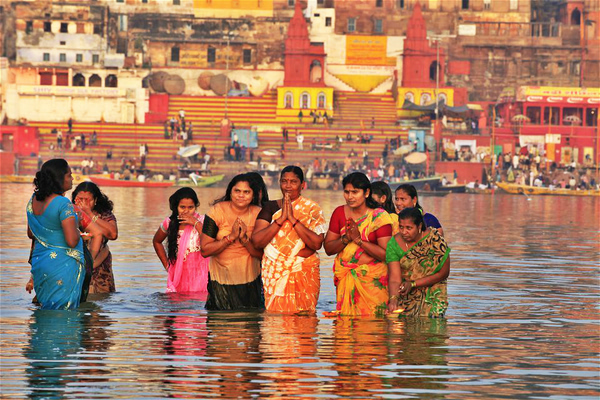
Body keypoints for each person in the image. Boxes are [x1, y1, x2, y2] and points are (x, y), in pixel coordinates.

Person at [25, 159, 102, 309]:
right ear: (58, 179)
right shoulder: (63, 203)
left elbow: (31, 233)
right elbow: (72, 241)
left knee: (45, 314)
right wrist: (76, 221)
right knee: (65, 316)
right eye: (69, 175)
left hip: (40, 264)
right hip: (62, 266)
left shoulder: (32, 200)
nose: (72, 178)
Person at [252, 166, 327, 314]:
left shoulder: (312, 209)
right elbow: (257, 241)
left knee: (304, 319)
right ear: (279, 183)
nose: (288, 186)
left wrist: (292, 219)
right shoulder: (270, 207)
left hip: (303, 270)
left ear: (302, 185)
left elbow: (317, 243)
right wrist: (281, 219)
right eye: (284, 181)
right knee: (275, 320)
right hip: (274, 270)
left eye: (293, 182)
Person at [323, 172, 393, 316]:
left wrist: (359, 240)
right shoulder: (339, 213)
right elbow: (328, 249)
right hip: (346, 278)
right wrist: (346, 238)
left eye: (355, 192)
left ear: (366, 192)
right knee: (346, 329)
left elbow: (386, 255)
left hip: (373, 283)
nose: (350, 196)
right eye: (347, 192)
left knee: (373, 328)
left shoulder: (379, 217)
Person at [200, 174, 264, 310]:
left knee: (249, 327)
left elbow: (264, 256)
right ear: (230, 191)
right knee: (221, 326)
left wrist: (245, 240)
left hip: (250, 282)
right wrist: (230, 237)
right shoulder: (216, 211)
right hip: (220, 282)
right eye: (237, 191)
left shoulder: (260, 214)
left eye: (246, 192)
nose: (241, 195)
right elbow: (205, 251)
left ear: (253, 195)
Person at [386, 207, 450, 318]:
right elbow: (395, 278)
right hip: (407, 295)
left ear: (419, 226)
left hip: (433, 295)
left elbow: (444, 273)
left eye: (409, 228)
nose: (404, 232)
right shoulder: (393, 243)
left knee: (433, 330)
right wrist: (393, 300)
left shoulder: (434, 240)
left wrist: (414, 284)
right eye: (401, 227)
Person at [152, 188, 209, 293]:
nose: (186, 211)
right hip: (179, 276)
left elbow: (209, 241)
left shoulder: (203, 221)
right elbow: (156, 241)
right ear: (176, 207)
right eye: (182, 207)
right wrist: (168, 267)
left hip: (201, 277)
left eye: (190, 207)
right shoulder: (169, 223)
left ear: (196, 207)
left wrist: (195, 223)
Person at [72, 182, 118, 293]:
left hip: (100, 262)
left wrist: (89, 214)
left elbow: (113, 234)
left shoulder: (104, 214)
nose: (83, 203)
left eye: (87, 200)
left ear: (95, 200)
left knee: (101, 300)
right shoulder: (68, 212)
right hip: (76, 262)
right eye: (80, 199)